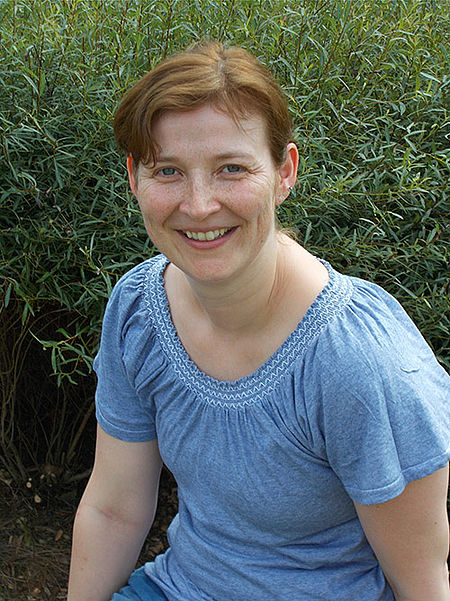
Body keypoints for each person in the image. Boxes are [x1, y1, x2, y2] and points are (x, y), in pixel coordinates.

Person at [67, 41, 450, 601]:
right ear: (134, 178)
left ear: (284, 172)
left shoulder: (357, 360)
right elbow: (113, 508)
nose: (199, 205)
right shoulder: (139, 311)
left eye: (232, 169)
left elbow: (422, 581)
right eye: (168, 171)